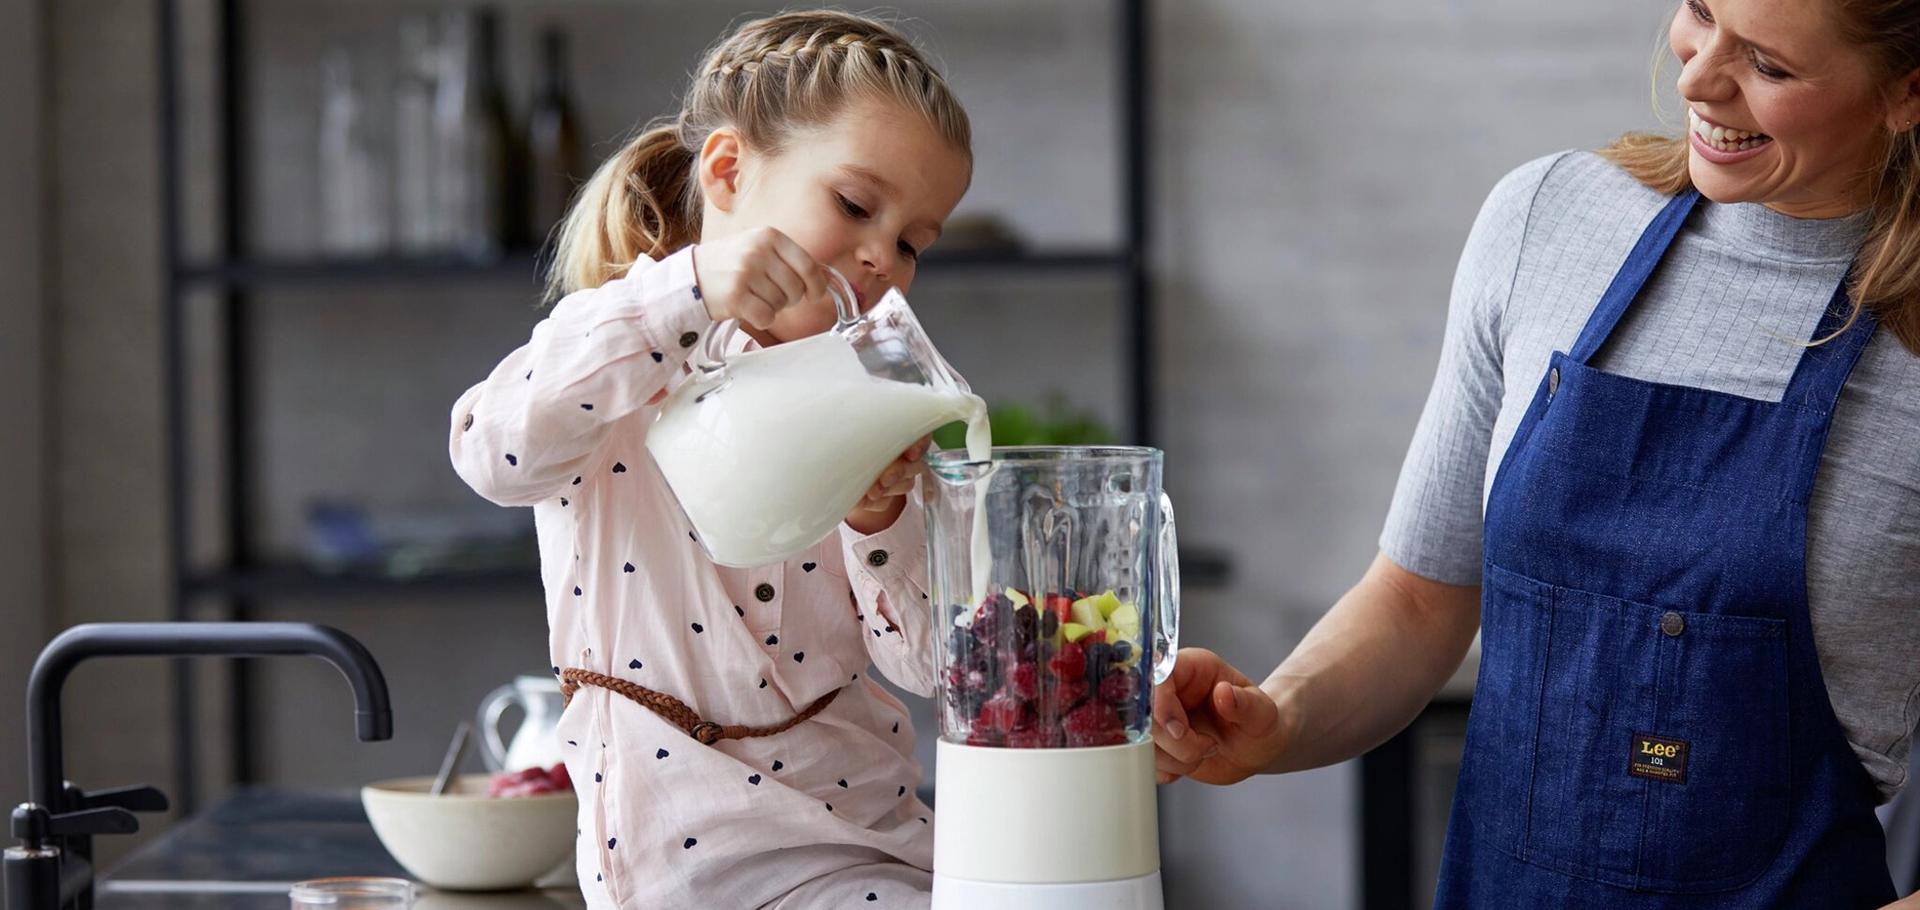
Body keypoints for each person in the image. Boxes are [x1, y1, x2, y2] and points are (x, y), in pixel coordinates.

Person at [1153, 0, 1920, 906]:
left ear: (1905, 93)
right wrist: (1274, 721)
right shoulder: (1548, 220)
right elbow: (1417, 599)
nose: (1695, 79)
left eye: (1767, 65)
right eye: (1700, 12)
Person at [448, 11, 972, 907]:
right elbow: (490, 454)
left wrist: (880, 521)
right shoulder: (617, 350)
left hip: (878, 846)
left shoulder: (873, 404)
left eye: (914, 241)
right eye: (854, 205)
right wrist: (681, 294)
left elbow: (935, 671)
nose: (882, 254)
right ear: (727, 171)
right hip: (687, 867)